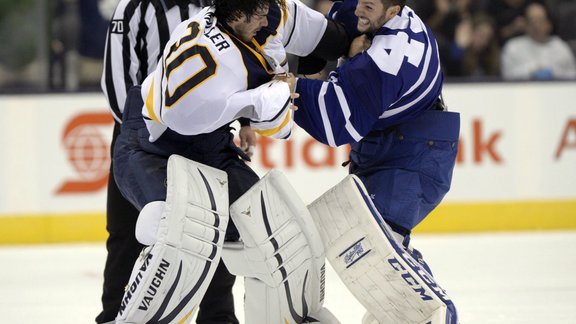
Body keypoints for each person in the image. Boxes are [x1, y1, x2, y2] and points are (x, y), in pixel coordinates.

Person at [109, 0, 352, 322]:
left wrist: (349, 43)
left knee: (273, 230)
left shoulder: (241, 17)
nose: (267, 17)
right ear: (237, 15)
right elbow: (189, 117)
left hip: (208, 141)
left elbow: (310, 33)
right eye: (259, 12)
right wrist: (267, 98)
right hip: (151, 142)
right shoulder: (215, 57)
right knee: (177, 231)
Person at [284, 0, 460, 322]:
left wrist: (293, 88)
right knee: (374, 254)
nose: (358, 11)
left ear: (392, 13)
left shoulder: (385, 59)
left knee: (380, 253)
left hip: (416, 155)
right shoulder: (372, 12)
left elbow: (337, 123)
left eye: (368, 6)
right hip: (393, 141)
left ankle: (435, 313)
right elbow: (328, 31)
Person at [98, 1, 248, 323]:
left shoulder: (217, 5)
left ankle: (217, 317)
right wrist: (150, 130)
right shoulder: (134, 7)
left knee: (214, 226)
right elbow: (116, 80)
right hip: (140, 134)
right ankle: (116, 315)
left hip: (205, 136)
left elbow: (241, 61)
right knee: (127, 232)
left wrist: (244, 120)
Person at [500, 2, 576, 80]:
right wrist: (532, 70)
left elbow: (572, 74)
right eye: (532, 21)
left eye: (540, 20)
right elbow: (507, 75)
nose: (536, 26)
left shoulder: (560, 46)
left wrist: (553, 72)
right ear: (525, 24)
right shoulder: (513, 47)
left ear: (549, 24)